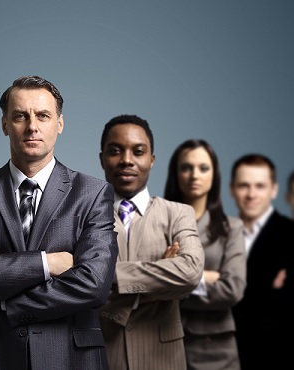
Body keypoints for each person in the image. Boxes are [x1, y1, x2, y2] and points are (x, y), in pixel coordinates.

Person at [0, 75, 118, 370]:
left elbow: (94, 284)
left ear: (59, 123)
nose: (32, 126)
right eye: (20, 116)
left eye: (43, 116)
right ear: (5, 124)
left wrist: (4, 295)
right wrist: (48, 264)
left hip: (72, 358)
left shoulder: (92, 193)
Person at [97, 114, 204, 370]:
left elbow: (190, 273)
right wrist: (162, 278)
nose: (126, 160)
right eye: (115, 151)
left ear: (152, 159)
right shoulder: (82, 217)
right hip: (102, 357)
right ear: (102, 157)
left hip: (163, 359)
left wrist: (107, 276)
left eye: (138, 151)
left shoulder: (178, 213)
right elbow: (75, 288)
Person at [164, 139, 246, 370]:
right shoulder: (158, 223)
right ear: (175, 173)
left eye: (203, 168)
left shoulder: (232, 228)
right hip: (162, 342)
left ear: (214, 175)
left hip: (215, 350)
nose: (194, 175)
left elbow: (232, 289)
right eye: (186, 167)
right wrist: (206, 277)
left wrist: (179, 277)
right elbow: (148, 284)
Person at [230, 153, 294, 369]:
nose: (251, 194)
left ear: (274, 190)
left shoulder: (290, 235)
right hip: (222, 358)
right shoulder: (215, 235)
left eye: (260, 186)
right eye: (243, 186)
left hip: (276, 356)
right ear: (232, 189)